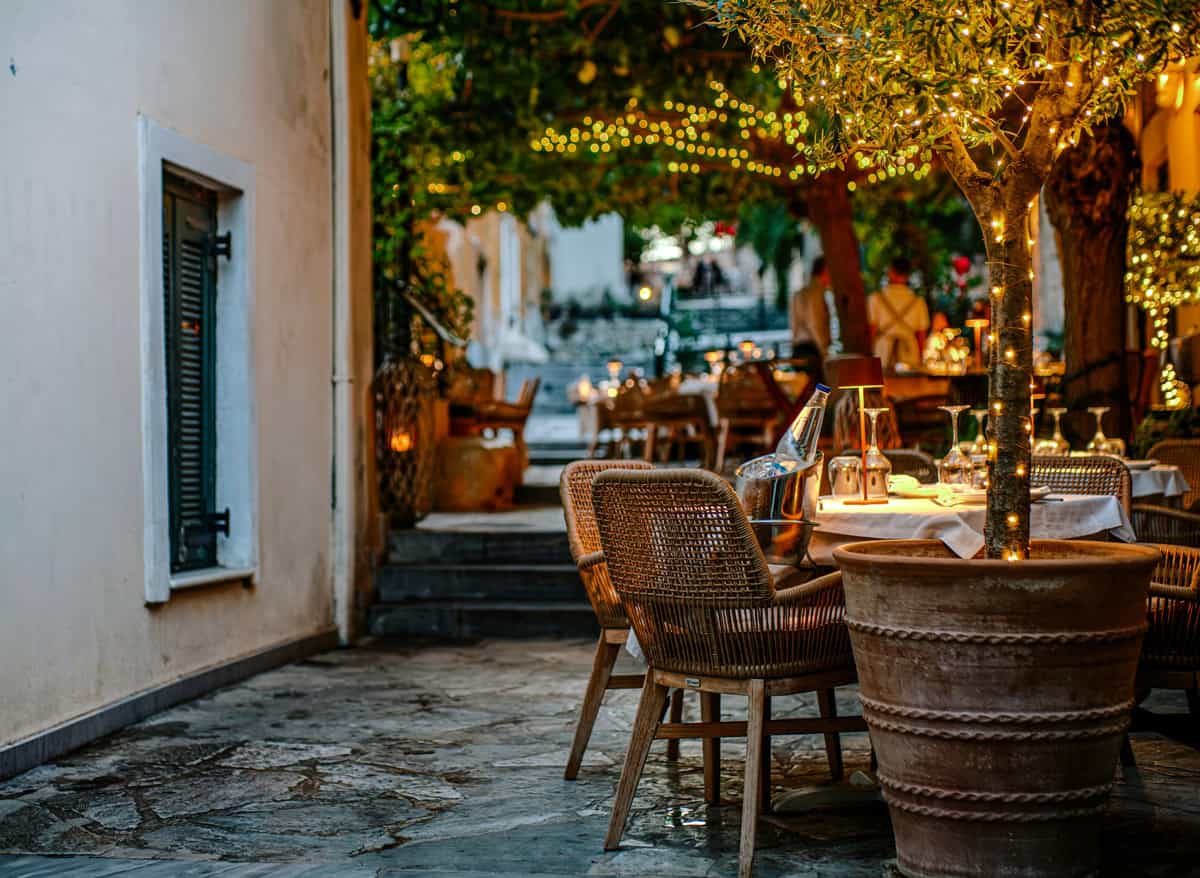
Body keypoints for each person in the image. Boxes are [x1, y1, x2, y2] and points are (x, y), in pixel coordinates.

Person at [868, 256, 930, 370]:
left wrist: (869, 355)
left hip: (883, 351)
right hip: (909, 351)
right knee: (910, 386)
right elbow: (921, 334)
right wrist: (922, 357)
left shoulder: (876, 298)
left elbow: (872, 330)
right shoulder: (918, 301)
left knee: (885, 386)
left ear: (890, 272)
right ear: (908, 274)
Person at [790, 257, 832, 369]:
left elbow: (793, 325)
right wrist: (823, 350)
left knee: (808, 385)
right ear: (825, 271)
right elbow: (815, 322)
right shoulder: (816, 292)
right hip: (812, 349)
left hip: (800, 347)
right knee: (820, 386)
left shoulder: (799, 293)